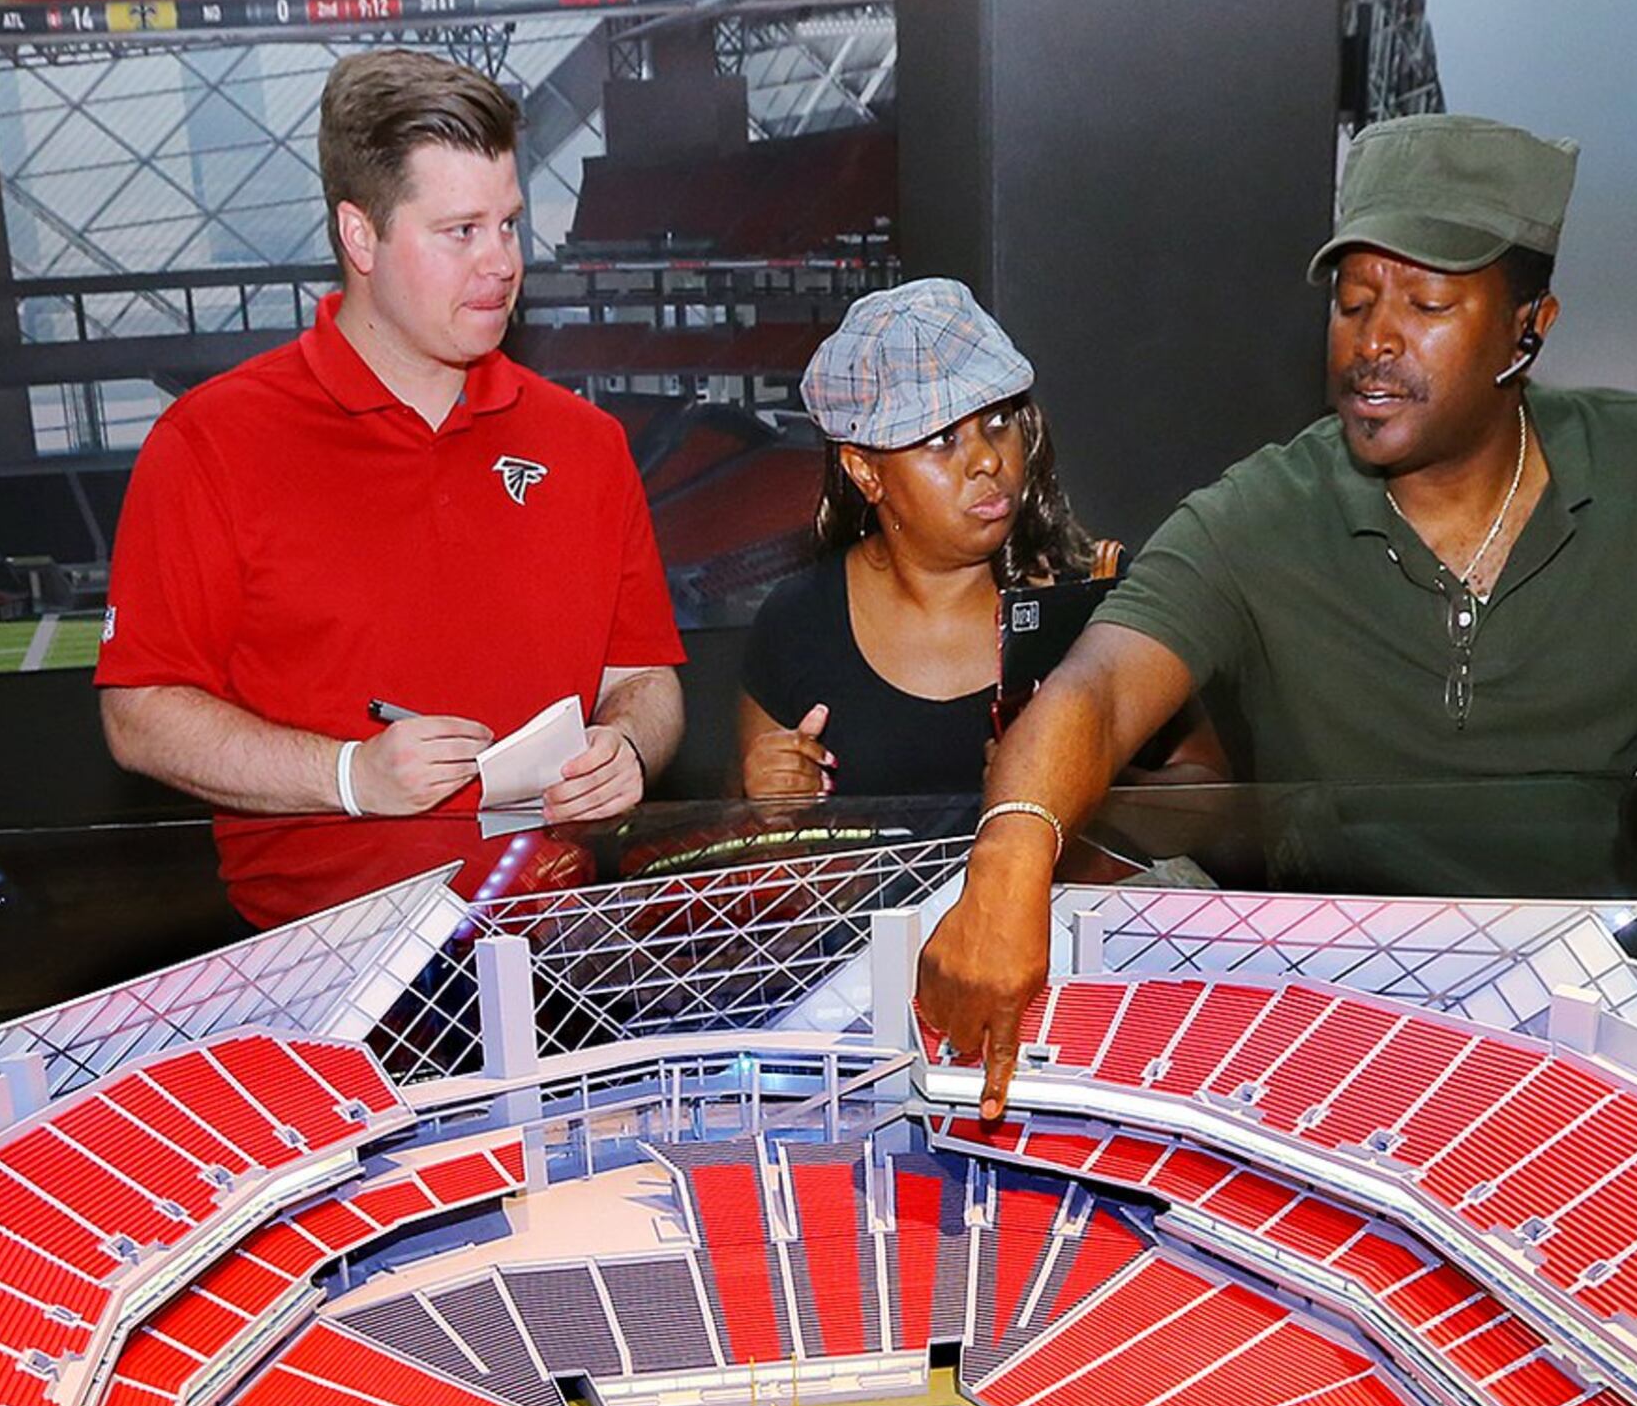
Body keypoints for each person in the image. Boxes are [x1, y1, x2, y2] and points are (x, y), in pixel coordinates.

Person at [918, 112, 1637, 1109]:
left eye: (1425, 303)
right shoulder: (1264, 510)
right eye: (1352, 300)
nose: (1374, 342)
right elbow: (1101, 687)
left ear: (1527, 329)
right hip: (1344, 1003)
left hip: (1609, 996)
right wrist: (1010, 864)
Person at [95, 49, 685, 926]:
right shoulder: (211, 442)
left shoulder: (586, 445)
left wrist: (627, 746)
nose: (501, 264)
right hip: (319, 969)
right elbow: (139, 713)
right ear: (359, 235)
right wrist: (349, 776)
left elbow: (646, 677)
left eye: (510, 225)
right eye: (460, 232)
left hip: (563, 952)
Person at [740, 281, 1213, 800]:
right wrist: (769, 798)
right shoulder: (797, 622)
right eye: (942, 439)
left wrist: (1091, 781)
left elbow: (1217, 799)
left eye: (998, 420)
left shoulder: (1098, 601)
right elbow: (742, 823)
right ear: (865, 473)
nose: (988, 458)